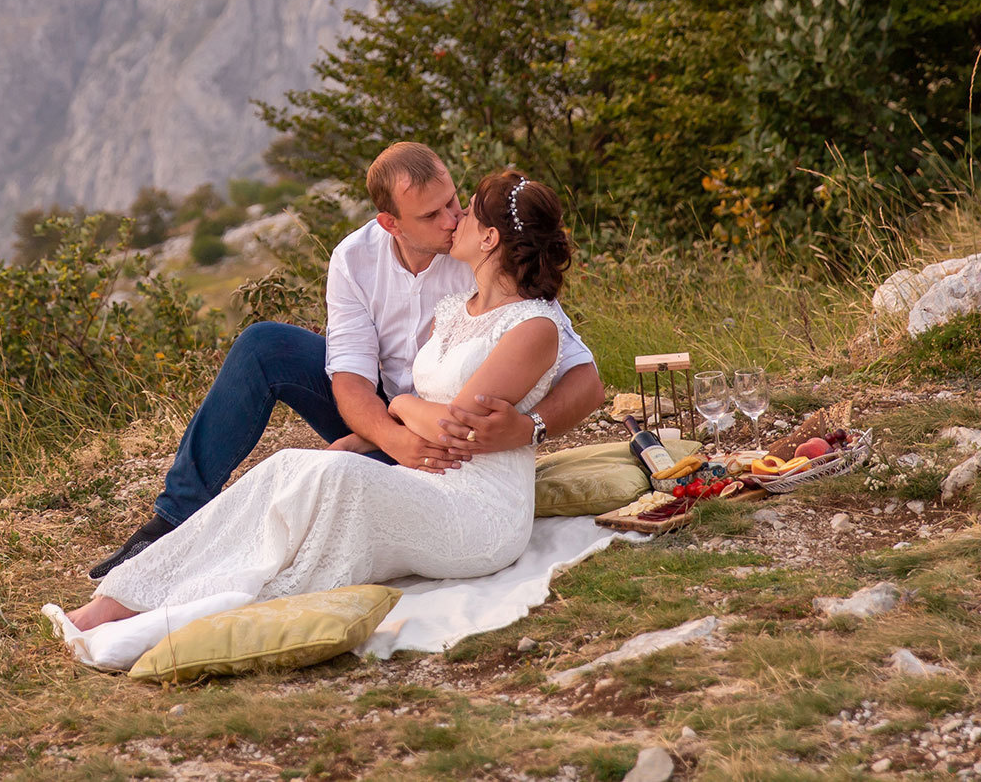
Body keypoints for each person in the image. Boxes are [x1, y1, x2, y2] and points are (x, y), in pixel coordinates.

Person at [58, 169, 596, 637]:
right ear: (392, 222)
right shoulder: (374, 266)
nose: (454, 219)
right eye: (435, 213)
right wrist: (388, 426)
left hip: (467, 488)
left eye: (459, 206)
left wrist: (530, 428)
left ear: (491, 237)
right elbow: (353, 378)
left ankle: (178, 601)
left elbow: (577, 382)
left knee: (324, 477)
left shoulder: (519, 308)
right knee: (279, 410)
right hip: (403, 433)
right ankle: (149, 561)